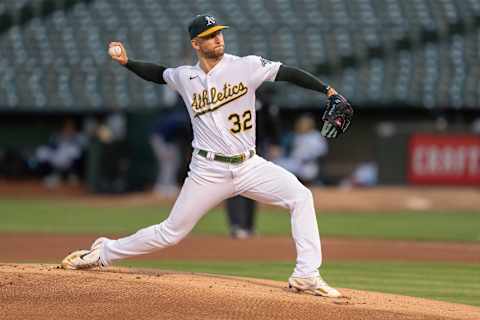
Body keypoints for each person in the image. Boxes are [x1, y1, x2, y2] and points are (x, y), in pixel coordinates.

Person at [62, 14, 349, 298]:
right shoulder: (186, 77)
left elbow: (288, 73)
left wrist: (327, 90)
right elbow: (158, 73)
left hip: (249, 165)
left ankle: (306, 275)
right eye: (210, 35)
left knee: (301, 196)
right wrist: (127, 62)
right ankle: (104, 251)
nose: (218, 38)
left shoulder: (246, 66)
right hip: (207, 171)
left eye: (219, 32)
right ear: (196, 44)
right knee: (171, 232)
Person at [226, 90, 283, 239]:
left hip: (256, 147)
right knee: (234, 188)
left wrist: (275, 143)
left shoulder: (262, 97)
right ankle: (236, 225)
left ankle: (249, 226)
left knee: (252, 187)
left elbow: (271, 121)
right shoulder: (230, 94)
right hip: (234, 148)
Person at [275, 114, 328, 185]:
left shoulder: (316, 136)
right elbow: (286, 150)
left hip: (308, 164)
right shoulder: (296, 135)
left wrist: (308, 158)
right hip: (295, 162)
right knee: (276, 163)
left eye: (304, 123)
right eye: (301, 123)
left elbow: (322, 152)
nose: (302, 125)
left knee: (307, 173)